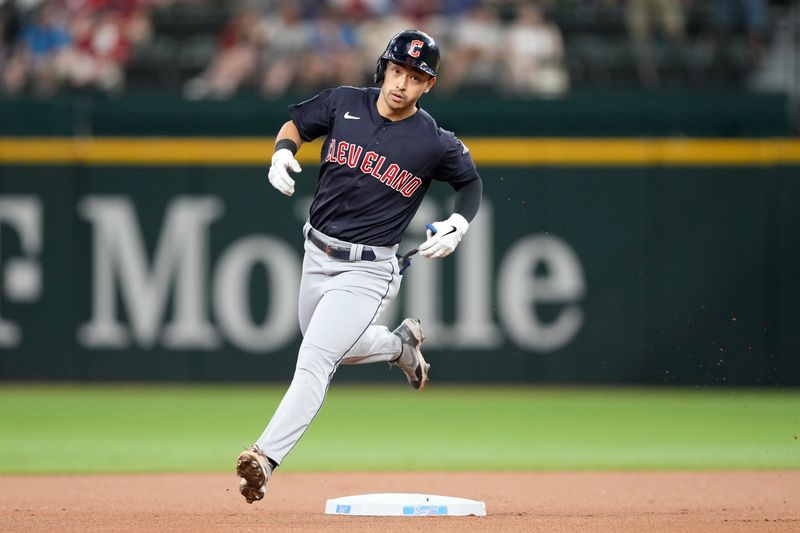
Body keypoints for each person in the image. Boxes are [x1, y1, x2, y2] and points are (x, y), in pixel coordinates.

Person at [235, 29, 483, 504]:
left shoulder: (433, 140)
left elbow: (469, 184)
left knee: (315, 359)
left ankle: (263, 459)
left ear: (428, 86)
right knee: (328, 346)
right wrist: (282, 152)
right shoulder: (344, 101)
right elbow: (296, 125)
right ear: (383, 68)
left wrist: (458, 224)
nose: (401, 84)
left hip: (369, 270)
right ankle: (398, 346)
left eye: (415, 77)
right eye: (396, 71)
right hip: (316, 254)